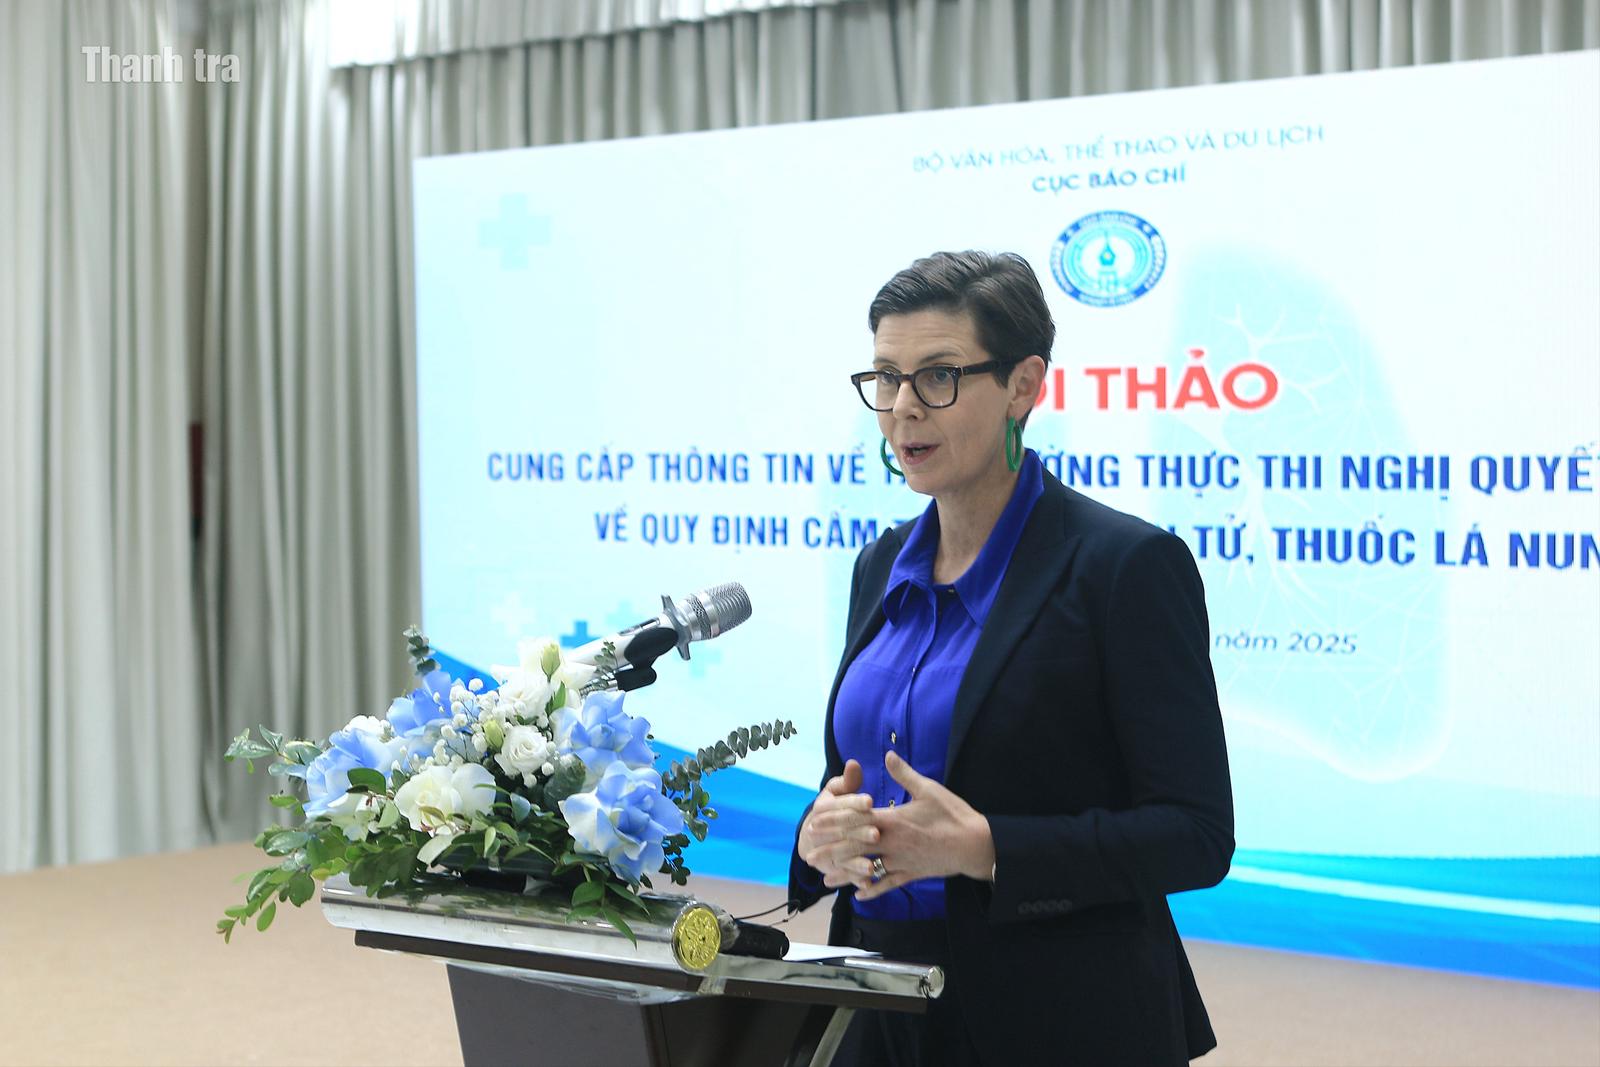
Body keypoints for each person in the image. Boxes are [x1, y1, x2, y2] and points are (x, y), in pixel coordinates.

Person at [788, 251, 1234, 1066]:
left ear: (1023, 385)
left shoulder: (1123, 568)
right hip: (876, 1003)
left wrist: (985, 848)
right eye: (886, 377)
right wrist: (819, 838)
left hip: (1059, 1018)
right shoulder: (879, 564)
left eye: (938, 376)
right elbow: (852, 780)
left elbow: (1196, 834)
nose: (903, 408)